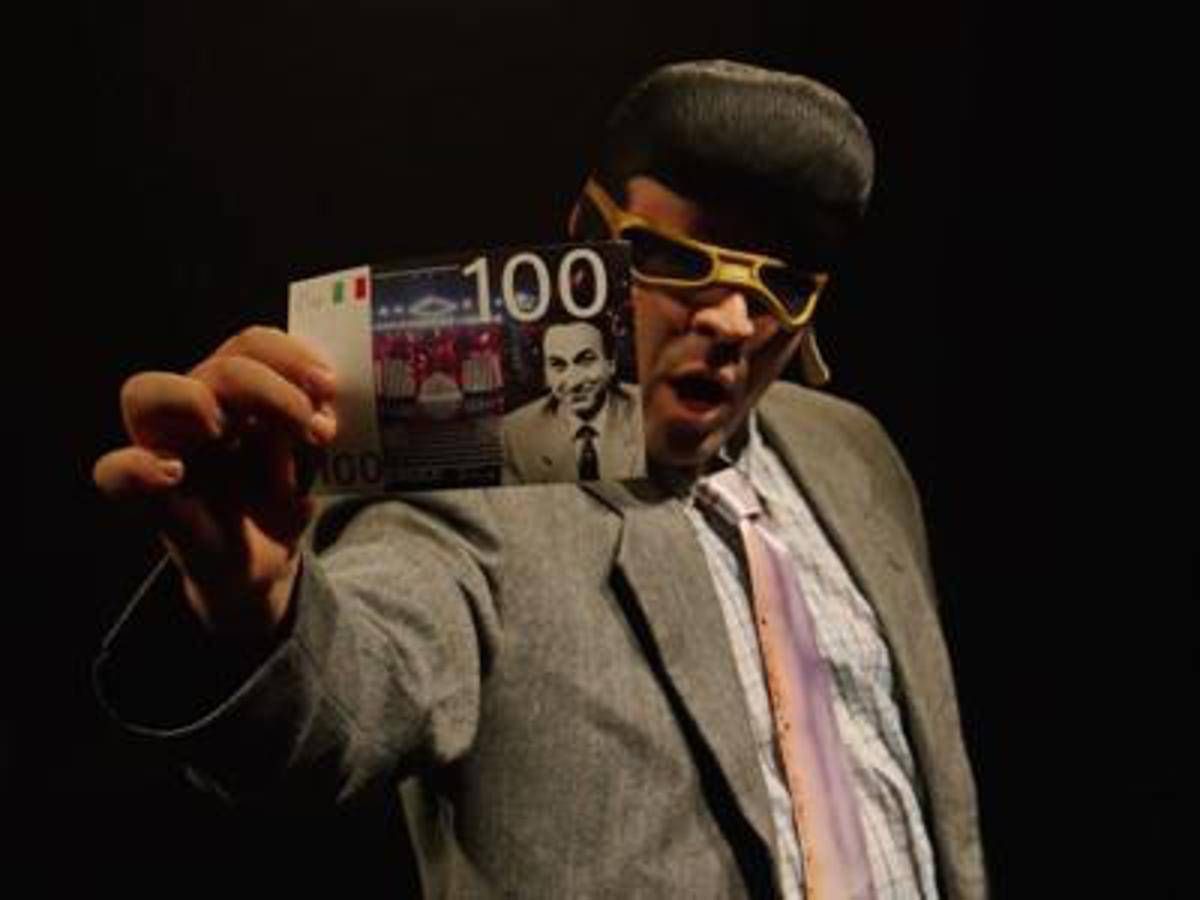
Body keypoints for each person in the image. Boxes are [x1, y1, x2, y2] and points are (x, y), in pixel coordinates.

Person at [92, 60, 986, 898]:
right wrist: (251, 610)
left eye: (777, 286)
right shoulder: (477, 483)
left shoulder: (852, 451)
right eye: (677, 259)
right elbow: (351, 705)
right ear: (587, 243)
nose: (730, 320)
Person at [500, 319, 644, 483]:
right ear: (546, 374)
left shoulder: (647, 411)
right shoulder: (514, 435)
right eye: (558, 365)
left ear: (611, 363)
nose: (573, 382)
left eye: (586, 361)